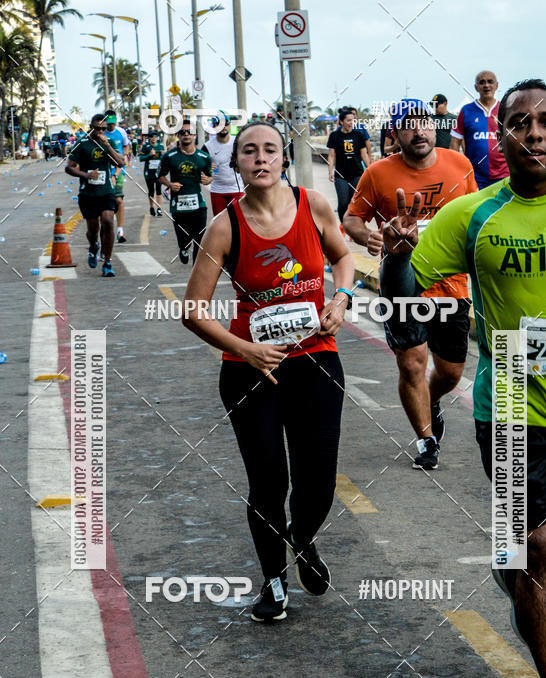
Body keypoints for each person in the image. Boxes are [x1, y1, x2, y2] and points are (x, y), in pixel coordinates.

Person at [379, 78, 546, 678]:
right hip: (506, 409)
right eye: (518, 123)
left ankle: (520, 576)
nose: (533, 133)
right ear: (498, 139)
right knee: (541, 547)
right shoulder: (472, 215)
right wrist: (393, 257)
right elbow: (405, 292)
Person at [181, 121, 355, 622]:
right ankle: (274, 584)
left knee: (318, 484)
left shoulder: (314, 205)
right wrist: (246, 350)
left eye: (270, 150)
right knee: (267, 483)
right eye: (249, 151)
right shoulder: (225, 226)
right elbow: (193, 309)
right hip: (249, 372)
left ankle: (302, 538)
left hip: (316, 362)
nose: (261, 158)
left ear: (283, 158)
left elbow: (343, 258)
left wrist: (341, 298)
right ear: (235, 163)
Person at [344, 99, 478, 469]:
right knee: (413, 364)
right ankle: (426, 441)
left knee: (450, 372)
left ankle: (430, 400)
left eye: (424, 123)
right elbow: (353, 219)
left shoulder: (460, 165)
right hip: (402, 280)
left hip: (451, 283)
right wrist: (368, 238)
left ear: (434, 127)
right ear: (395, 134)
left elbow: (476, 215)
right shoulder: (378, 174)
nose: (418, 131)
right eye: (408, 125)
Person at [65, 113, 125, 277]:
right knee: (93, 229)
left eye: (103, 129)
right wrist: (86, 175)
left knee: (107, 221)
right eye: (97, 128)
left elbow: (120, 163)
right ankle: (93, 247)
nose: (100, 131)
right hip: (88, 193)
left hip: (106, 192)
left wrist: (108, 145)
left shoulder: (108, 142)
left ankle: (107, 262)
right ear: (91, 127)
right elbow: (69, 167)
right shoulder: (82, 143)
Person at [158, 118, 212, 264]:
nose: (186, 134)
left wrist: (208, 180)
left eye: (190, 132)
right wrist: (169, 184)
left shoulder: (204, 157)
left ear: (195, 135)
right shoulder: (169, 157)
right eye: (183, 132)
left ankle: (196, 271)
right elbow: (160, 176)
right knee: (184, 239)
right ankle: (183, 248)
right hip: (179, 206)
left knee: (199, 240)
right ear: (178, 135)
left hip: (199, 205)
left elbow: (210, 176)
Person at [450, 70, 509, 188]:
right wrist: (457, 171)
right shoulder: (466, 110)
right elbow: (454, 143)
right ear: (476, 87)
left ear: (496, 85)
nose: (486, 85)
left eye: (490, 82)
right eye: (482, 82)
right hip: (475, 177)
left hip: (504, 175)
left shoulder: (505, 109)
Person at [327, 107, 369, 225]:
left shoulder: (359, 135)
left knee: (354, 201)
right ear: (341, 122)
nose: (352, 123)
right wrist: (330, 171)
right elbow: (331, 155)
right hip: (341, 174)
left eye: (353, 120)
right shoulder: (334, 136)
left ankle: (353, 226)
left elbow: (364, 155)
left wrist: (370, 170)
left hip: (357, 173)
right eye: (349, 120)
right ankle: (343, 224)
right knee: (343, 202)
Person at [202, 112, 244, 215]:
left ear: (229, 125)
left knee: (238, 222)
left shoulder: (238, 142)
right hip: (218, 192)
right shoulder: (207, 146)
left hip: (237, 190)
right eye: (219, 124)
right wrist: (207, 171)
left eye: (226, 124)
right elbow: (201, 169)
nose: (223, 127)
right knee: (220, 225)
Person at [104, 110, 130, 243]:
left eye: (113, 124)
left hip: (119, 170)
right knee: (105, 203)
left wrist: (125, 156)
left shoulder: (121, 132)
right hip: (104, 171)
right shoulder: (101, 133)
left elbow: (126, 146)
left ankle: (120, 231)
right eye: (108, 124)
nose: (111, 126)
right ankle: (106, 231)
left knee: (118, 200)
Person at [138, 129, 165, 216]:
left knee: (158, 190)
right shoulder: (146, 146)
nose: (153, 138)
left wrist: (163, 155)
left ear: (157, 137)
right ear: (149, 138)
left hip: (158, 172)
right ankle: (151, 207)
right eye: (151, 136)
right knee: (151, 191)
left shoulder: (161, 146)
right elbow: (141, 158)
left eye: (155, 136)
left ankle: (159, 208)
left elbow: (164, 159)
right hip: (148, 172)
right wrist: (149, 155)